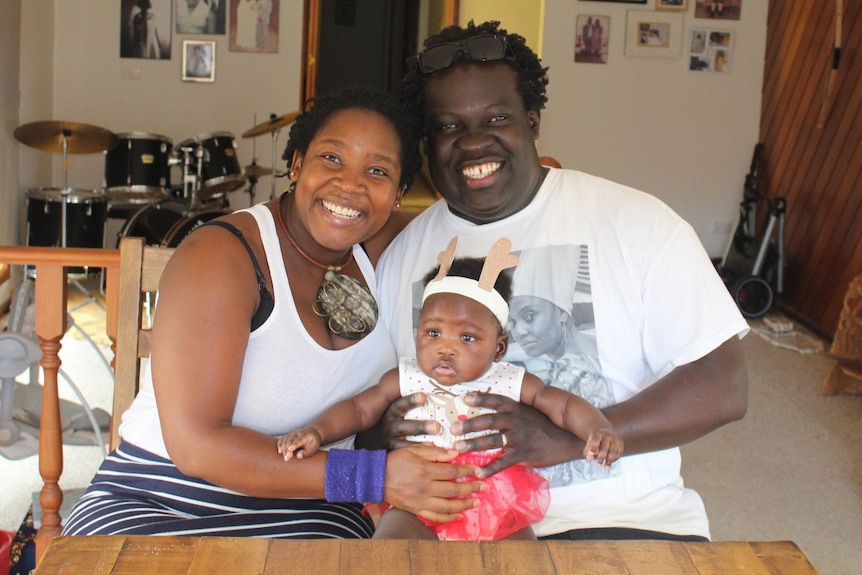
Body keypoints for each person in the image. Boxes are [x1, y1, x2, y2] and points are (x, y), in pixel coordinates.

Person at [375, 21, 749, 542]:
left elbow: (722, 385)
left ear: (532, 121)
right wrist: (388, 432)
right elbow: (380, 398)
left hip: (622, 524)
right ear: (426, 143)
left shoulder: (636, 222)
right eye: (448, 126)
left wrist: (565, 438)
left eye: (497, 118)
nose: (474, 141)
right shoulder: (401, 255)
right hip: (454, 531)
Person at [62, 86, 484, 539]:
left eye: (377, 171)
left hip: (312, 509)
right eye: (332, 159)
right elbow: (197, 447)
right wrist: (376, 476)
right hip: (166, 497)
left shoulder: (396, 246)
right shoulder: (223, 254)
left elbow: (503, 217)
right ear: (297, 163)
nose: (351, 185)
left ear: (399, 193)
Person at [278, 239, 623, 541]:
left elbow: (562, 406)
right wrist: (316, 431)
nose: (446, 348)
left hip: (494, 495)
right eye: (433, 333)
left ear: (499, 349)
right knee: (389, 553)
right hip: (419, 496)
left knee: (522, 562)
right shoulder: (407, 377)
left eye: (467, 338)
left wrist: (598, 428)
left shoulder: (507, 379)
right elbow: (357, 410)